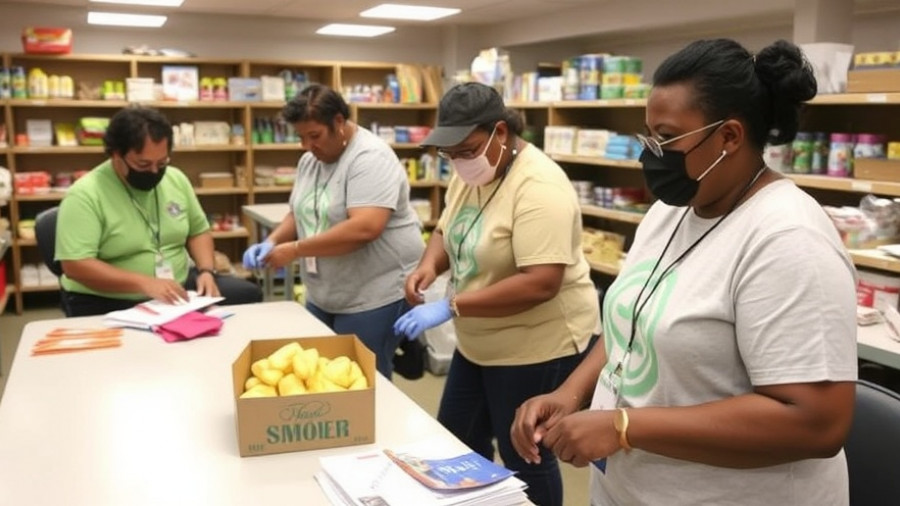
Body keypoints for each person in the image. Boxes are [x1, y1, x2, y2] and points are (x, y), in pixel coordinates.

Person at [510, 39, 858, 505]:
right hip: (630, 490)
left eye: (667, 137)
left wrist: (624, 427)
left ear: (729, 137)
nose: (652, 154)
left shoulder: (788, 239)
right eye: (648, 136)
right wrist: (571, 393)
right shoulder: (672, 210)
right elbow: (632, 322)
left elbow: (816, 423)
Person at [393, 82, 600, 506]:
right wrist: (429, 265)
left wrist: (451, 306)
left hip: (536, 344)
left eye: (466, 150)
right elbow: (448, 229)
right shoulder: (472, 172)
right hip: (480, 339)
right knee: (456, 439)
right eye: (450, 155)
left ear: (500, 132)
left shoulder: (540, 186)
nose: (459, 162)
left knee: (523, 453)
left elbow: (542, 281)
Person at [242, 84, 424, 379]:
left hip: (375, 290)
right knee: (319, 374)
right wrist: (272, 240)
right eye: (301, 137)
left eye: (314, 136)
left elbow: (364, 228)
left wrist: (295, 249)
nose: (306, 146)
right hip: (327, 290)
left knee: (361, 380)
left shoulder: (370, 157)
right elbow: (298, 211)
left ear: (339, 122)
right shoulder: (310, 160)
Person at [56, 106, 262, 317]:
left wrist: (206, 271)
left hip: (174, 289)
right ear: (116, 154)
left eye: (162, 163)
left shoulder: (175, 179)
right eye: (143, 164)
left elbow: (198, 231)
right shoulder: (85, 195)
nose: (155, 172)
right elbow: (75, 265)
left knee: (247, 295)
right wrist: (144, 283)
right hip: (107, 298)